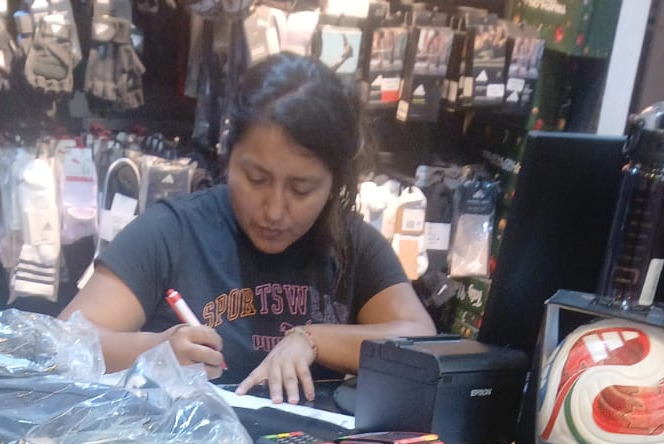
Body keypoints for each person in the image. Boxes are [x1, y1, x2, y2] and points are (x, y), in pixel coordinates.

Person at [61, 52, 435, 404]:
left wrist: (313, 339)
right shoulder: (171, 231)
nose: (274, 211)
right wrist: (156, 351)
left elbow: (420, 337)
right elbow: (64, 342)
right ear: (228, 156)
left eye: (301, 189)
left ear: (335, 184)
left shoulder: (350, 241)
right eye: (256, 179)